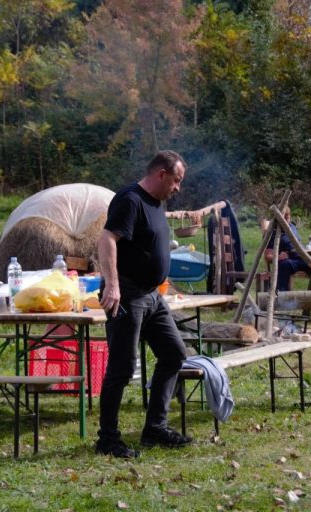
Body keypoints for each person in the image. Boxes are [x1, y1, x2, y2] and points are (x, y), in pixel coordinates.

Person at [96, 150, 192, 458]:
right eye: (176, 181)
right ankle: (108, 440)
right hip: (127, 293)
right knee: (122, 368)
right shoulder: (130, 200)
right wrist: (112, 285)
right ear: (161, 174)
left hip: (152, 295)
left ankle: (154, 429)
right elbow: (107, 239)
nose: (177, 188)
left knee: (174, 354)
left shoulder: (157, 202)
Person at [265, 206, 311, 291]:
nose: (286, 221)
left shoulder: (292, 227)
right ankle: (283, 298)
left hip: (306, 259)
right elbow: (268, 256)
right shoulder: (274, 233)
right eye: (284, 219)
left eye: (288, 218)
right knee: (283, 265)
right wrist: (278, 257)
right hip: (292, 262)